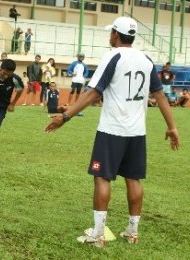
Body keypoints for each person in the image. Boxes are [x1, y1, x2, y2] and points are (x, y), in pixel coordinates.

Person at [44, 17, 179, 248]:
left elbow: (94, 93)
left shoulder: (113, 56)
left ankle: (98, 234)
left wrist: (66, 116)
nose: (110, 36)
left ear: (116, 34)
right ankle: (132, 232)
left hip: (112, 130)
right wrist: (172, 126)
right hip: (137, 132)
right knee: (133, 178)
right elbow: (160, 96)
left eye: (111, 32)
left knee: (102, 177)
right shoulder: (146, 60)